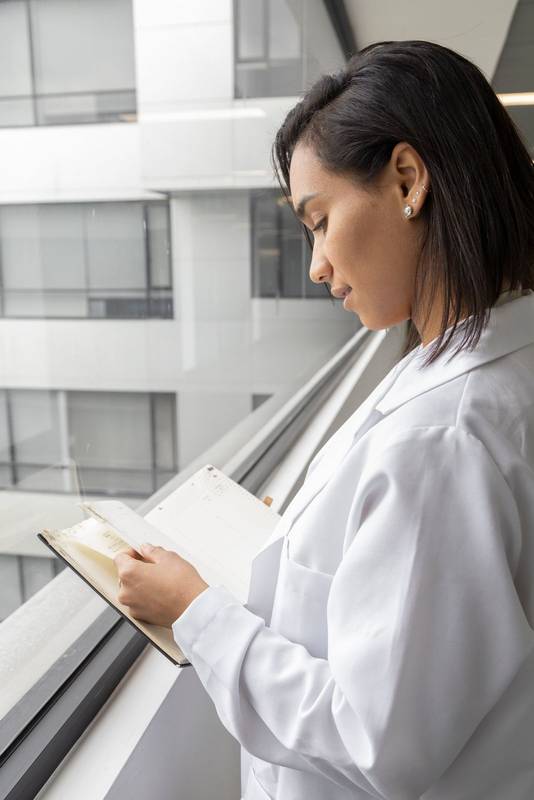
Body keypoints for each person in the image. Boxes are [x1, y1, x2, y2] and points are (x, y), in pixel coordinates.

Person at [114, 40, 534, 799]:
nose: (314, 264)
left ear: (408, 180)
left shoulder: (443, 435)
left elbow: (375, 740)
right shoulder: (488, 362)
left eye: (320, 219)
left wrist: (194, 613)